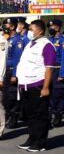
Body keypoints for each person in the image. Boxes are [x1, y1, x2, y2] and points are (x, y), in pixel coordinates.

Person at [17, 20, 56, 152]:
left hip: (38, 85)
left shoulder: (47, 45)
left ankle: (40, 143)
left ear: (39, 30)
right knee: (30, 115)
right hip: (26, 85)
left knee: (40, 115)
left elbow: (49, 68)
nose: (29, 31)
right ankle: (32, 139)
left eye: (31, 29)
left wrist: (45, 87)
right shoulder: (30, 44)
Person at [2, 18, 24, 129]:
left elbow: (18, 59)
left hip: (12, 71)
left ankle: (13, 118)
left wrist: (15, 74)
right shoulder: (8, 39)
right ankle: (8, 115)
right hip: (6, 70)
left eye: (6, 25)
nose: (5, 27)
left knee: (12, 95)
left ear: (12, 26)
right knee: (6, 95)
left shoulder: (17, 40)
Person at [48, 20, 64, 127]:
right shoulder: (49, 40)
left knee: (58, 94)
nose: (50, 28)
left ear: (57, 28)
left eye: (52, 26)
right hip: (50, 69)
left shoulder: (62, 40)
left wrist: (62, 74)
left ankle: (58, 115)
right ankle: (51, 114)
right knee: (49, 93)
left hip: (58, 69)